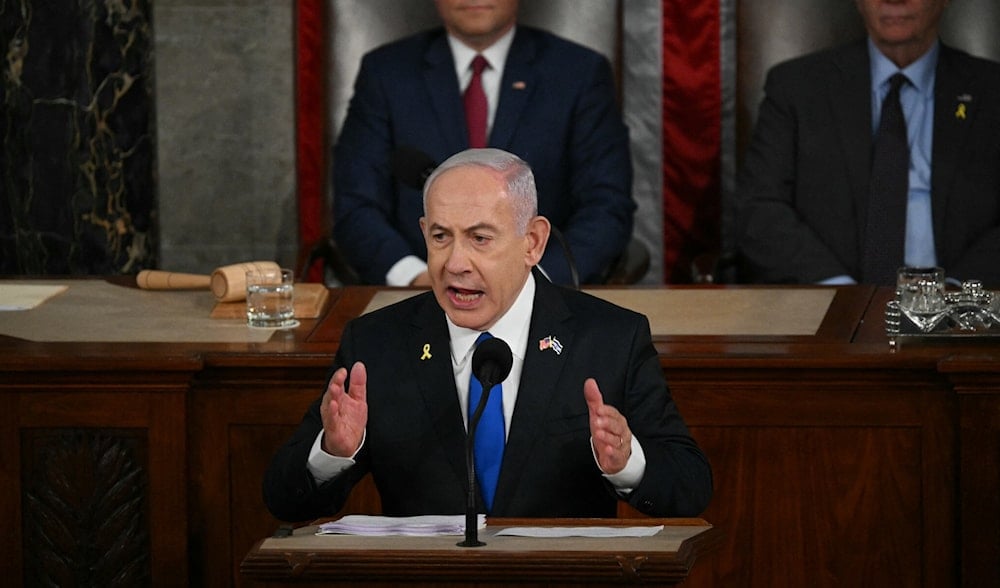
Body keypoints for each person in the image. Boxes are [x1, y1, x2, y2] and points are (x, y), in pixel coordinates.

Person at [264, 148, 712, 522]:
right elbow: (283, 498)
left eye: (480, 239)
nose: (455, 262)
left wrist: (627, 462)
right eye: (441, 237)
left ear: (533, 243)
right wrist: (333, 451)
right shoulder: (378, 344)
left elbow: (690, 487)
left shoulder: (610, 338)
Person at [332, 0, 634, 287]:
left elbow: (607, 205)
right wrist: (416, 277)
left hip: (542, 298)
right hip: (419, 296)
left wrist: (535, 282)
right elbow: (357, 205)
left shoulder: (578, 72)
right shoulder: (386, 73)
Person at [736, 0, 1000, 286]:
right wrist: (840, 295)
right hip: (831, 307)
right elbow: (759, 208)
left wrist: (955, 292)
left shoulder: (992, 90)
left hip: (965, 312)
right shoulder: (797, 87)